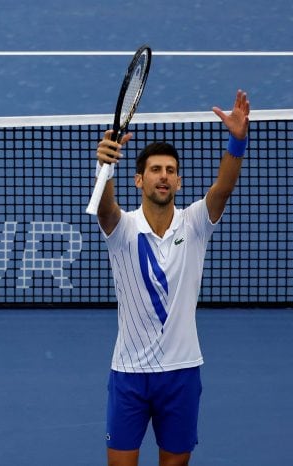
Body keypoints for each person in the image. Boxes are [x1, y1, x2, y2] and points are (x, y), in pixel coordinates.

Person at [94, 90, 250, 466]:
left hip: (181, 371)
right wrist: (105, 166)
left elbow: (224, 189)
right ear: (139, 180)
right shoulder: (122, 229)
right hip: (129, 373)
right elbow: (104, 207)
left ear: (178, 182)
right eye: (154, 170)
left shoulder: (195, 224)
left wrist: (237, 139)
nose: (163, 177)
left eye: (170, 171)